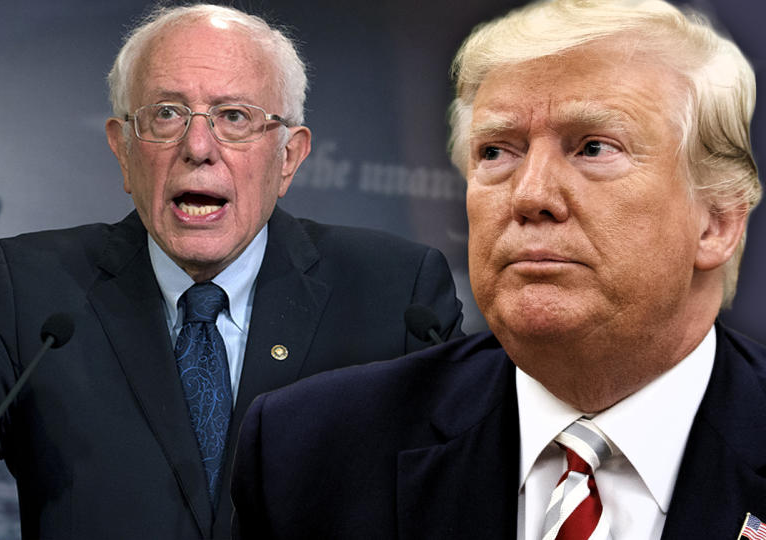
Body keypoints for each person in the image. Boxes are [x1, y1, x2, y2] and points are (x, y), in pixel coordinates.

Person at [0, 4, 464, 539]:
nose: (197, 148)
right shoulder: (34, 290)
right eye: (167, 114)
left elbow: (458, 501)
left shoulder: (392, 293)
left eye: (233, 117)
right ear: (124, 153)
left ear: (288, 157)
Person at [231, 0, 766, 538]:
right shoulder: (309, 449)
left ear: (716, 223)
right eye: (496, 153)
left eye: (594, 148)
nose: (530, 194)